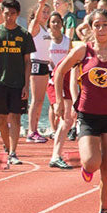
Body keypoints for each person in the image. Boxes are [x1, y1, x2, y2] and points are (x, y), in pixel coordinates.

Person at [54, 8, 107, 213]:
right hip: (88, 115)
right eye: (96, 25)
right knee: (92, 162)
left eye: (104, 25)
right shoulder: (83, 51)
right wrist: (61, 100)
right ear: (90, 28)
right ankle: (87, 168)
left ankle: (104, 210)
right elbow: (60, 71)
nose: (100, 29)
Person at [0, 0, 35, 165]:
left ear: (17, 14)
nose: (9, 17)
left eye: (12, 14)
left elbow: (28, 61)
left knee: (16, 118)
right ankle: (6, 146)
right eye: (6, 14)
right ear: (2, 14)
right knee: (1, 119)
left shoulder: (24, 35)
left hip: (18, 82)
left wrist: (26, 85)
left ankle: (13, 151)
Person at [47, 12, 74, 169]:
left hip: (67, 79)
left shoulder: (68, 42)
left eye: (58, 22)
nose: (56, 25)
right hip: (53, 78)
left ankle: (56, 154)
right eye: (53, 22)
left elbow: (73, 65)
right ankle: (55, 153)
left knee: (67, 119)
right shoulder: (47, 40)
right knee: (61, 113)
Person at [26, 0, 52, 143]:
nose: (46, 14)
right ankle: (31, 131)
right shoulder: (34, 26)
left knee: (41, 100)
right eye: (43, 11)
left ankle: (34, 130)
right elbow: (35, 22)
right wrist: (40, 4)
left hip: (45, 65)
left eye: (48, 11)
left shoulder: (45, 29)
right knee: (36, 100)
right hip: (36, 63)